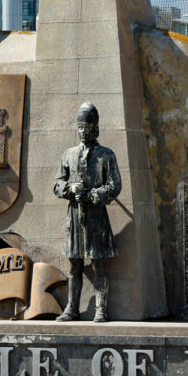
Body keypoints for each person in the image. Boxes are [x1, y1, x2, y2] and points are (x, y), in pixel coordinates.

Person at [53, 102, 121, 322]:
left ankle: (101, 308)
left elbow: (115, 185)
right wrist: (70, 188)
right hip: (74, 216)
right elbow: (57, 184)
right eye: (81, 127)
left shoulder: (106, 155)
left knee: (99, 263)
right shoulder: (68, 154)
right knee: (75, 264)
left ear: (96, 129)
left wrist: (94, 194)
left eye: (89, 127)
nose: (84, 131)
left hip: (96, 216)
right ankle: (72, 308)